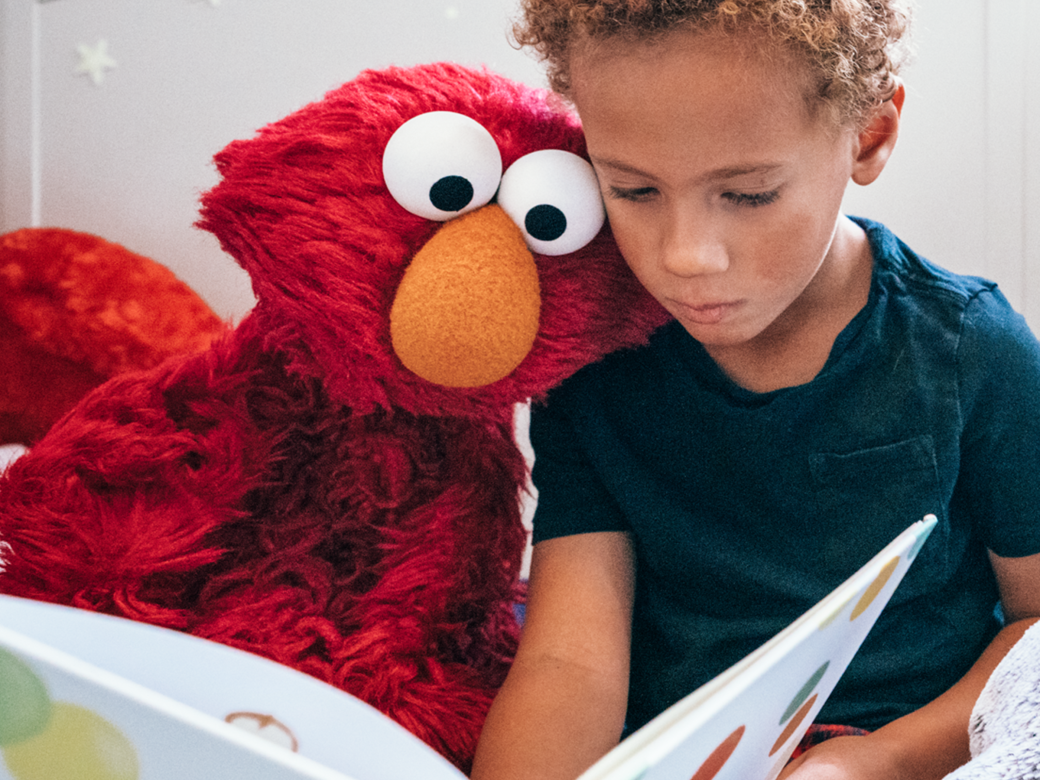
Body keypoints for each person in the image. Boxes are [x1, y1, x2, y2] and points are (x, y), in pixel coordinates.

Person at [470, 2, 1040, 779]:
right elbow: (569, 663)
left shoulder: (972, 349)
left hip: (914, 753)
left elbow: (1036, 625)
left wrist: (883, 761)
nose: (686, 256)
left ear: (868, 134)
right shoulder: (595, 368)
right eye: (634, 191)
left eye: (747, 195)